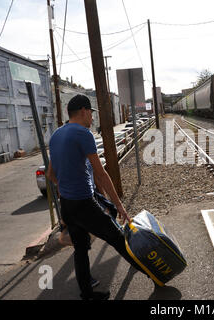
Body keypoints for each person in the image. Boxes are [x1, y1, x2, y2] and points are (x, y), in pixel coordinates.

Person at [47, 94, 146, 300]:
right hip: (84, 203)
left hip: (67, 204)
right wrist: (120, 206)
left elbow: (50, 174)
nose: (92, 118)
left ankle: (87, 294)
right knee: (118, 238)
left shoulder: (56, 135)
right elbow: (101, 173)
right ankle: (152, 272)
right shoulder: (83, 133)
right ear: (83, 111)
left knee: (81, 249)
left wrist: (65, 189)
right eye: (91, 113)